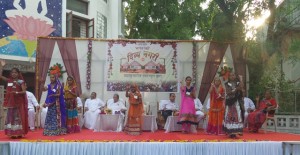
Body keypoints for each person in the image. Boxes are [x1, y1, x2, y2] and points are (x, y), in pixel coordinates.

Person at [0, 60, 28, 138]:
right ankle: (12, 133)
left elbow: (24, 91)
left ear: (18, 74)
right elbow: (0, 77)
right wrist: (2, 67)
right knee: (11, 117)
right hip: (11, 103)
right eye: (12, 72)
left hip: (18, 103)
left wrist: (16, 93)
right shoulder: (9, 80)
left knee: (18, 118)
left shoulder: (20, 81)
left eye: (15, 72)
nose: (13, 74)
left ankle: (18, 133)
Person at [223, 73, 244, 138]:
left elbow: (241, 87)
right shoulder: (226, 84)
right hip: (230, 102)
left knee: (238, 116)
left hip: (237, 102)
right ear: (229, 77)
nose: (232, 76)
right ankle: (230, 132)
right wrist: (236, 89)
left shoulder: (238, 83)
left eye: (234, 75)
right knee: (229, 116)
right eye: (231, 75)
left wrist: (241, 79)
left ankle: (236, 132)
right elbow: (228, 92)